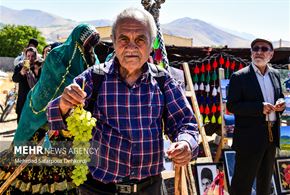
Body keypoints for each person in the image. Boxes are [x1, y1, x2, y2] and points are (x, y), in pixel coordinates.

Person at [47, 8, 199, 195]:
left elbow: (185, 123)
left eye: (140, 39)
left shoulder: (163, 81)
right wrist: (64, 104)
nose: (131, 47)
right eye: (124, 39)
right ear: (114, 41)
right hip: (98, 188)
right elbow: (53, 114)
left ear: (151, 44)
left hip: (149, 188)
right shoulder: (94, 78)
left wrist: (185, 143)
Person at [0, 24, 100, 194]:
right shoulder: (57, 55)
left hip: (74, 128)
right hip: (42, 124)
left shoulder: (93, 61)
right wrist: (66, 100)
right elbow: (47, 87)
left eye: (92, 45)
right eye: (86, 44)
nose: (88, 49)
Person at [226, 38, 285, 195]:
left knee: (265, 182)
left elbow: (280, 96)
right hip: (249, 138)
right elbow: (232, 106)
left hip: (271, 136)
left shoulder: (275, 74)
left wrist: (281, 103)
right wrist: (259, 108)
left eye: (264, 49)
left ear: (271, 54)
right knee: (242, 183)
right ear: (251, 53)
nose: (259, 51)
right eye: (255, 48)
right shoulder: (239, 76)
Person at [12, 46, 40, 123]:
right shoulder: (20, 66)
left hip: (34, 100)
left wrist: (37, 73)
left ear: (36, 56)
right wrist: (22, 72)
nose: (30, 58)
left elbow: (41, 83)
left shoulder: (39, 67)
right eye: (28, 56)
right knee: (21, 122)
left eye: (33, 56)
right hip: (23, 99)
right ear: (25, 56)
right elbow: (15, 79)